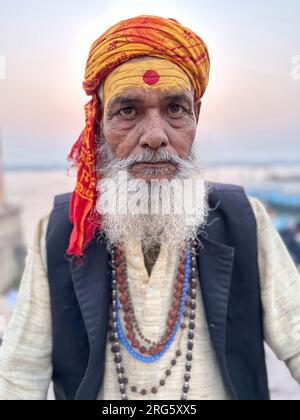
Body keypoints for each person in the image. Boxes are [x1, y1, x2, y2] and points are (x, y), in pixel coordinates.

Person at [0, 15, 299, 400]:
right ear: (99, 123)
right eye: (128, 111)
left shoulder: (245, 220)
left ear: (197, 117)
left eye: (175, 109)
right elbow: (19, 376)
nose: (156, 136)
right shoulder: (60, 232)